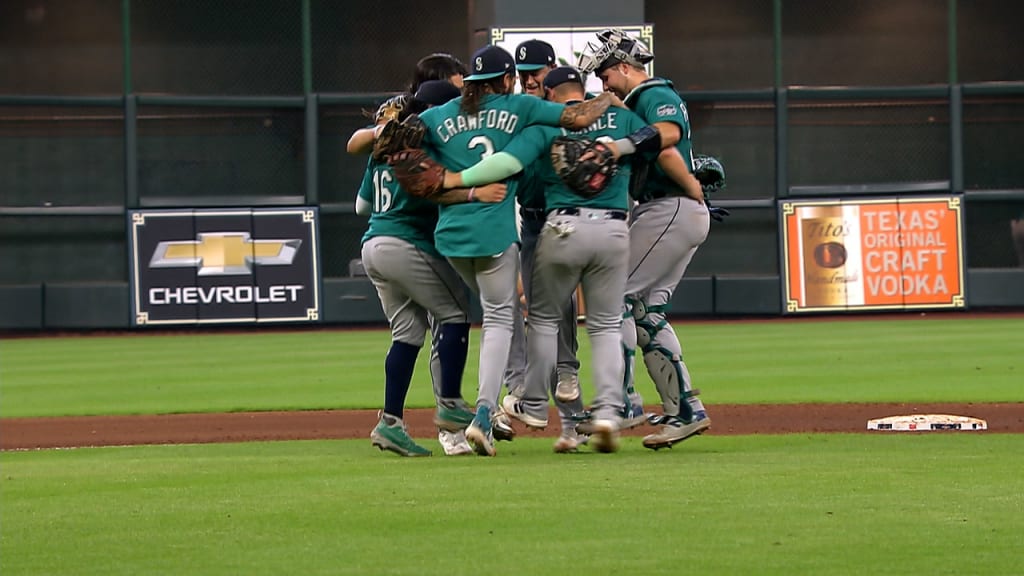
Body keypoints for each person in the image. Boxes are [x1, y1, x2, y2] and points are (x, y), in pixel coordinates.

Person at [383, 44, 620, 456]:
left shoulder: (438, 115)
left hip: (451, 237)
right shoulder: (519, 107)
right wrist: (609, 97)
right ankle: (483, 413)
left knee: (463, 317)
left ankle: (453, 410)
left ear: (471, 81)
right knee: (499, 319)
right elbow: (579, 117)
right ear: (508, 79)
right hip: (493, 234)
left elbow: (408, 166)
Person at [357, 80, 508, 457]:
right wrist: (473, 193)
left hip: (372, 244)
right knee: (454, 313)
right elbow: (432, 189)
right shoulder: (424, 144)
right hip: (405, 242)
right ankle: (451, 404)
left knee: (407, 332)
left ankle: (390, 423)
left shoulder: (383, 147)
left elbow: (362, 206)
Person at [579, 28, 713, 450]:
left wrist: (620, 148)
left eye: (605, 74)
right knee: (646, 312)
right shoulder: (638, 101)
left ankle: (622, 403)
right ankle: (685, 410)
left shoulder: (652, 92)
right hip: (673, 208)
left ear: (623, 66)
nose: (603, 83)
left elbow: (668, 137)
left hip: (668, 207)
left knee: (612, 297)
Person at [500, 40, 584, 450]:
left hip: (568, 222)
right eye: (522, 71)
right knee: (540, 318)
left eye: (535, 70)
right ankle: (537, 401)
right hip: (531, 223)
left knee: (563, 317)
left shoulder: (563, 110)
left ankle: (576, 419)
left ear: (551, 69)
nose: (528, 77)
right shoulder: (517, 110)